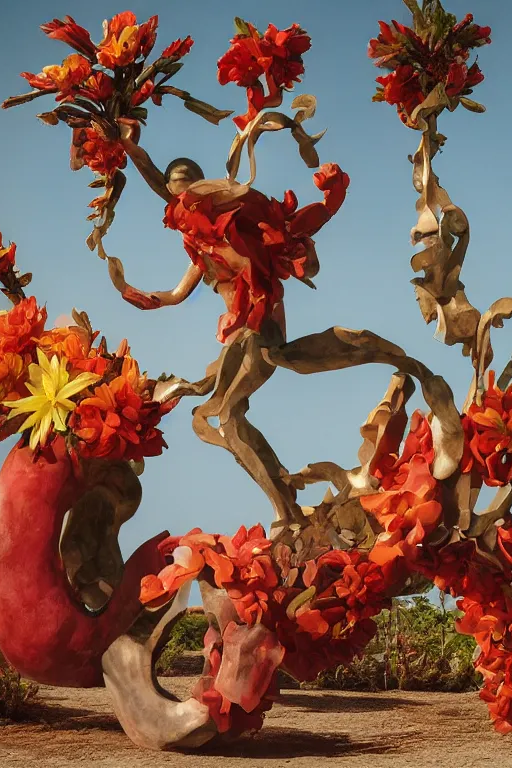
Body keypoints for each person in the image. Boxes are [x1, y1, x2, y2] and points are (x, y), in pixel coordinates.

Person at [107, 121, 348, 533]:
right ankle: (283, 500)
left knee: (221, 413)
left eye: (190, 188)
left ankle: (282, 508)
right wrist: (136, 293)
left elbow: (291, 239)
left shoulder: (238, 226)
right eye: (176, 188)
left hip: (261, 332)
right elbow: (175, 294)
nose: (183, 196)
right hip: (238, 339)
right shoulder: (202, 255)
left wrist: (130, 149)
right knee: (225, 423)